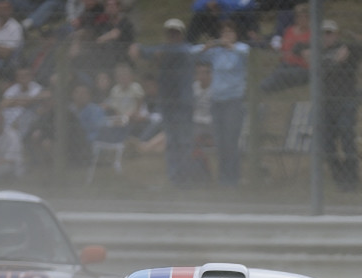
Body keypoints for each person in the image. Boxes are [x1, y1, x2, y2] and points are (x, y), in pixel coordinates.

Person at [130, 18, 197, 187]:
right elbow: (150, 52)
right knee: (172, 143)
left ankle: (185, 178)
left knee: (183, 142)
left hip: (182, 105)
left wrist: (141, 49)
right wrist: (139, 49)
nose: (172, 36)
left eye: (175, 33)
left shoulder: (184, 50)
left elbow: (153, 51)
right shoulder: (165, 50)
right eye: (169, 33)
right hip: (168, 104)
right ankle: (175, 178)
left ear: (181, 35)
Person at [194, 19, 249, 186]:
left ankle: (233, 178)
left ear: (235, 35)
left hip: (233, 101)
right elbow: (193, 52)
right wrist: (209, 45)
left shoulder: (239, 50)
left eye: (230, 32)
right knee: (220, 140)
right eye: (224, 33)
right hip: (216, 102)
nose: (226, 36)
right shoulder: (216, 53)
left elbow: (246, 52)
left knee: (231, 140)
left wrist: (229, 45)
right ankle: (223, 177)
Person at [312, 19, 362, 191]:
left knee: (346, 135)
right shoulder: (317, 53)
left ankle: (352, 179)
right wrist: (336, 61)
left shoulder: (346, 49)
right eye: (323, 33)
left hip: (346, 101)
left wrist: (350, 45)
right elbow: (320, 73)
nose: (326, 37)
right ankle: (340, 179)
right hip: (326, 103)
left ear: (336, 34)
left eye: (330, 33)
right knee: (327, 144)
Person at [259, 3, 309, 92]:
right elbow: (283, 49)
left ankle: (260, 91)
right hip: (285, 64)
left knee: (279, 74)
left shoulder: (311, 33)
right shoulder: (289, 30)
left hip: (302, 68)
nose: (302, 19)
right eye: (299, 16)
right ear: (296, 18)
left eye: (305, 16)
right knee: (278, 73)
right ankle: (263, 91)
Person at [1, 65, 47, 137]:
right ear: (16, 78)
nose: (23, 78)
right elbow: (3, 104)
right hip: (8, 119)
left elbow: (43, 96)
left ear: (31, 77)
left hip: (26, 119)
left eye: (26, 75)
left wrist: (14, 101)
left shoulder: (36, 87)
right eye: (20, 76)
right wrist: (30, 100)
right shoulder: (13, 89)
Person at [0, 0, 25, 78]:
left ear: (10, 10)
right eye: (0, 9)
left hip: (5, 62)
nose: (3, 11)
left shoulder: (15, 27)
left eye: (5, 9)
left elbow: (6, 54)